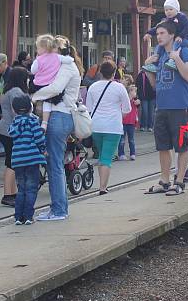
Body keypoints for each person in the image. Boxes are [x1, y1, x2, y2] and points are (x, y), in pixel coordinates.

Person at [32, 36, 84, 221]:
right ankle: (57, 208)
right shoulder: (65, 66)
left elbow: (55, 88)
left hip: (60, 116)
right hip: (60, 116)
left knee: (55, 165)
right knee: (54, 164)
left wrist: (34, 95)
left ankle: (59, 210)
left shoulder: (66, 67)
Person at [142, 19, 188, 196]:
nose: (158, 37)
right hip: (162, 107)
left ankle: (179, 181)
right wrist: (149, 69)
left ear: (172, 34)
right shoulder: (159, 55)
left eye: (162, 33)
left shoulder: (185, 52)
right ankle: (164, 181)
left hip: (180, 107)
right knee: (163, 146)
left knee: (182, 146)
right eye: (157, 33)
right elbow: (155, 86)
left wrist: (176, 58)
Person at [86, 61, 132, 194]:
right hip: (113, 127)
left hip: (96, 126)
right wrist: (119, 115)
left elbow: (89, 108)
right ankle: (102, 187)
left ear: (100, 72)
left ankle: (102, 184)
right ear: (113, 73)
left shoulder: (93, 87)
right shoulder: (119, 88)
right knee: (106, 158)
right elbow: (127, 108)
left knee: (102, 156)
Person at [8, 94, 46, 225]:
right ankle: (29, 216)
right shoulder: (33, 121)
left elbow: (11, 134)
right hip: (32, 160)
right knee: (31, 189)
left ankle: (18, 217)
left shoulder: (14, 123)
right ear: (31, 108)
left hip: (18, 160)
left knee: (21, 189)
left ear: (14, 110)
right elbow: (39, 138)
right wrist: (43, 149)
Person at [0, 66, 31, 207]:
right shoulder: (17, 92)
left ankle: (12, 192)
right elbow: (18, 112)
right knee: (12, 163)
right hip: (11, 131)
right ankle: (8, 194)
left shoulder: (9, 90)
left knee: (11, 161)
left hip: (5, 129)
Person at [141, 0, 188, 74]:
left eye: (171, 9)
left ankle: (173, 61)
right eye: (166, 10)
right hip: (173, 38)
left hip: (184, 38)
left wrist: (181, 36)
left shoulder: (182, 17)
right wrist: (149, 33)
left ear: (176, 9)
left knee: (177, 43)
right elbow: (158, 27)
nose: (168, 12)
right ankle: (154, 63)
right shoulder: (166, 20)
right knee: (159, 46)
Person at [30, 34, 68, 129]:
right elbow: (69, 60)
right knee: (47, 103)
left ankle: (33, 115)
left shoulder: (39, 59)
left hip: (38, 85)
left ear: (43, 48)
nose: (37, 50)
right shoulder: (57, 57)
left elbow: (33, 71)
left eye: (38, 48)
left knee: (34, 99)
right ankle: (45, 123)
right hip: (51, 85)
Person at [118, 84, 140, 160]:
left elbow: (137, 104)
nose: (136, 93)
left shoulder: (135, 101)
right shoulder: (125, 100)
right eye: (134, 91)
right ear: (130, 91)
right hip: (123, 122)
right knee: (122, 139)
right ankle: (121, 154)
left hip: (131, 122)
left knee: (131, 139)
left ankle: (132, 153)